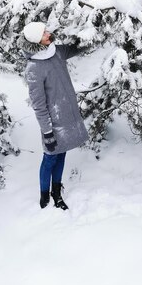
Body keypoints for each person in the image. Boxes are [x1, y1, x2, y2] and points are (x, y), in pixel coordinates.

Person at [19, 21, 89, 210]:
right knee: (50, 157)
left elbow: (77, 48)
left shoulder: (56, 51)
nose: (48, 33)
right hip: (53, 121)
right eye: (44, 33)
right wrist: (47, 131)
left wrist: (91, 32)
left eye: (46, 30)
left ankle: (56, 192)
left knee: (62, 154)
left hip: (68, 114)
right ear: (36, 40)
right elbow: (39, 105)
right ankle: (44, 196)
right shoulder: (33, 67)